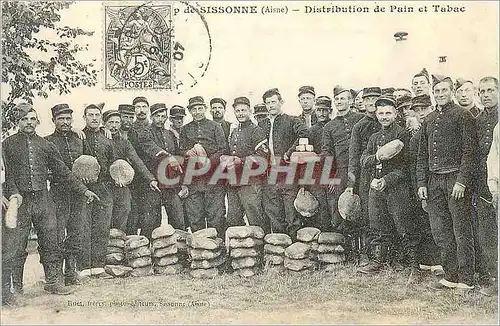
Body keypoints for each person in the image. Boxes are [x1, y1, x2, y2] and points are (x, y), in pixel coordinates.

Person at [2, 103, 99, 303]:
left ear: (37, 121)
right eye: (24, 119)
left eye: (32, 119)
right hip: (20, 202)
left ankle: (53, 281)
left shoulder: (45, 145)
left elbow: (63, 172)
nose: (29, 123)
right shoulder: (8, 144)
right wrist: (12, 195)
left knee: (51, 241)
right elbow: (7, 175)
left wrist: (84, 190)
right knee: (15, 246)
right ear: (18, 122)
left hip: (43, 200)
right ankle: (13, 291)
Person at [417, 74, 477, 291]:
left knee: (461, 229)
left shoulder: (463, 115)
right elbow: (422, 155)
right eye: (437, 91)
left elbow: (470, 152)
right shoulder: (429, 119)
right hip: (434, 181)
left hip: (455, 180)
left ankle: (467, 279)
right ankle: (450, 275)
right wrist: (422, 183)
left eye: (444, 90)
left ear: (451, 92)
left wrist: (461, 181)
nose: (440, 94)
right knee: (441, 231)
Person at [358, 96, 418, 275]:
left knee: (403, 225)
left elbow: (406, 166)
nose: (384, 117)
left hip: (396, 187)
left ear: (395, 114)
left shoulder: (402, 134)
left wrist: (388, 180)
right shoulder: (374, 137)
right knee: (377, 225)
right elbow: (363, 159)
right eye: (381, 113)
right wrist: (376, 158)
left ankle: (413, 265)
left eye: (388, 113)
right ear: (376, 115)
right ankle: (379, 261)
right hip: (376, 186)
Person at [45, 104, 88, 286]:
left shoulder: (79, 138)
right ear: (53, 120)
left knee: (76, 231)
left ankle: (71, 272)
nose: (65, 122)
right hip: (58, 192)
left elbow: (89, 161)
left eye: (68, 119)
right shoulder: (46, 141)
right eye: (61, 119)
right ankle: (56, 274)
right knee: (57, 233)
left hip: (78, 193)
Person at [260, 88, 308, 241]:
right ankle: (280, 248)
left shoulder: (291, 120)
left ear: (281, 102)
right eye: (267, 103)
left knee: (291, 212)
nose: (270, 106)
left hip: (287, 171)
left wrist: (289, 153)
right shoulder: (262, 124)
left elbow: (304, 133)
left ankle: (295, 249)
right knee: (273, 211)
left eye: (273, 102)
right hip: (269, 172)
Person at [102, 110, 160, 232]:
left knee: (127, 210)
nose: (114, 125)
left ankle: (121, 243)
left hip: (121, 184)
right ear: (104, 123)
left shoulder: (124, 142)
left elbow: (137, 161)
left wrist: (151, 179)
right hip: (103, 183)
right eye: (110, 122)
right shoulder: (99, 138)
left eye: (117, 122)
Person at [180, 96, 228, 237]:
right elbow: (180, 150)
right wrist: (188, 152)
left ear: (205, 109)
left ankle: (217, 250)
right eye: (194, 109)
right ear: (190, 111)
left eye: (200, 108)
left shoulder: (215, 127)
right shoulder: (185, 129)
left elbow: (223, 149)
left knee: (216, 216)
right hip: (194, 179)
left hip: (213, 178)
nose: (197, 112)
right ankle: (199, 251)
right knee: (195, 217)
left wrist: (208, 161)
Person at [137, 103, 187, 239]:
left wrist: (182, 182)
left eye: (163, 116)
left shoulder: (169, 134)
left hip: (171, 184)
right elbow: (152, 149)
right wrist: (168, 157)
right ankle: (147, 254)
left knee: (178, 220)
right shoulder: (145, 133)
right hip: (154, 183)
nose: (160, 119)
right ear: (152, 117)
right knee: (151, 222)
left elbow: (178, 157)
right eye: (157, 116)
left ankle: (180, 253)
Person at [406, 95, 443, 276]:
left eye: (424, 109)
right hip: (417, 180)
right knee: (422, 219)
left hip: (432, 181)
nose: (421, 113)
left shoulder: (435, 128)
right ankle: (427, 260)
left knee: (435, 221)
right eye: (417, 110)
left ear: (431, 108)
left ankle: (438, 261)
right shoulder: (416, 131)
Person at [79, 103, 116, 278]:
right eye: (90, 115)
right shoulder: (78, 136)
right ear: (84, 117)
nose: (94, 118)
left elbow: (112, 163)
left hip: (103, 187)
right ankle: (84, 267)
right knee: (84, 225)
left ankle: (99, 266)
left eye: (97, 115)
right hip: (83, 188)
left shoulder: (107, 138)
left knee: (102, 226)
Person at [322, 87, 364, 235]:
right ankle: (345, 249)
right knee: (340, 211)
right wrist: (332, 176)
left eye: (343, 98)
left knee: (363, 208)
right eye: (337, 99)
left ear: (350, 101)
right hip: (341, 172)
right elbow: (327, 153)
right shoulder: (329, 126)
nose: (339, 101)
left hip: (362, 169)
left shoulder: (360, 119)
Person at [347, 86, 382, 265]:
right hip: (365, 176)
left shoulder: (387, 122)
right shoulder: (359, 126)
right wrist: (351, 184)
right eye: (367, 99)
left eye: (374, 99)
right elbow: (353, 157)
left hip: (386, 176)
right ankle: (366, 255)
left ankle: (387, 256)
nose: (371, 103)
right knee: (367, 216)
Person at [224, 97, 269, 232]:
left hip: (251, 182)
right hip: (234, 182)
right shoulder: (234, 132)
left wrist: (241, 161)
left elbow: (263, 156)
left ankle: (262, 250)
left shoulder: (256, 130)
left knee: (255, 218)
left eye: (243, 110)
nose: (241, 113)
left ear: (249, 110)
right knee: (233, 219)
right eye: (237, 111)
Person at [474, 76, 498, 295]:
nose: (486, 95)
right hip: (484, 183)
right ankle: (492, 277)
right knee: (487, 232)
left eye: (490, 90)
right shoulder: (479, 119)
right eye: (482, 91)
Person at [304, 96, 335, 231]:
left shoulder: (335, 127)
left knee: (334, 208)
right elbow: (306, 156)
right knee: (320, 207)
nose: (322, 114)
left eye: (325, 110)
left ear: (330, 111)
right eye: (319, 110)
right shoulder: (312, 131)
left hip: (333, 172)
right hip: (316, 175)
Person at [126, 96, 151, 235]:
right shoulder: (129, 128)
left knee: (149, 215)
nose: (141, 110)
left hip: (149, 177)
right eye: (137, 107)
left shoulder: (153, 128)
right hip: (133, 178)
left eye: (144, 107)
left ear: (148, 109)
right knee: (132, 214)